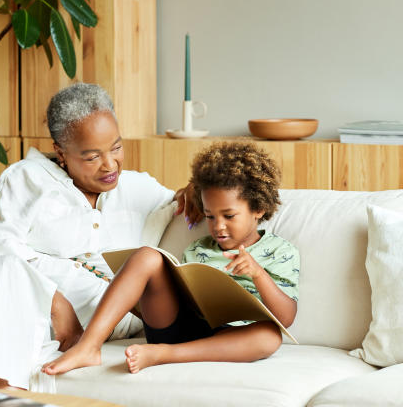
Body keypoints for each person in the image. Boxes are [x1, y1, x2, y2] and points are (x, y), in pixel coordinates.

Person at [0, 83, 197, 391]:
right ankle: (9, 394)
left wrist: (193, 190)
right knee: (6, 269)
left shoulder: (137, 188)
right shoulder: (27, 179)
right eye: (91, 157)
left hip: (77, 320)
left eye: (116, 147)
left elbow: (182, 199)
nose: (110, 164)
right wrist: (53, 299)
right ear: (61, 152)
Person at [42, 141, 299, 375]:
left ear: (258, 209)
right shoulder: (199, 248)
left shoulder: (280, 251)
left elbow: (286, 317)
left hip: (230, 340)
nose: (218, 226)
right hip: (180, 327)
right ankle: (88, 346)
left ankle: (164, 356)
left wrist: (258, 273)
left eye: (229, 216)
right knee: (146, 256)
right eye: (210, 216)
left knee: (269, 337)